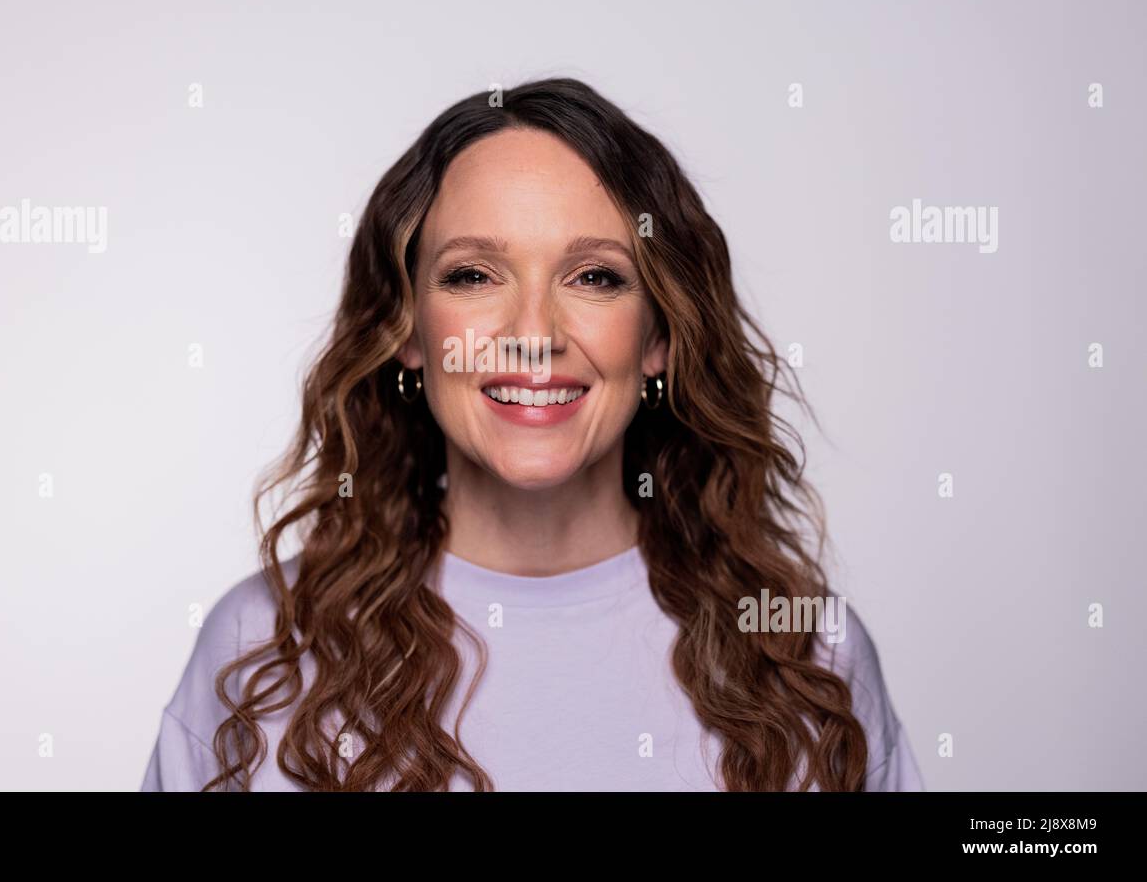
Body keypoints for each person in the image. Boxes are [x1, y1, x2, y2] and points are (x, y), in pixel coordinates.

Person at [141, 78, 924, 792]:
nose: (532, 334)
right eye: (474, 275)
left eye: (595, 277)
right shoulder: (259, 649)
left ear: (658, 337)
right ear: (408, 330)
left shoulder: (807, 651)